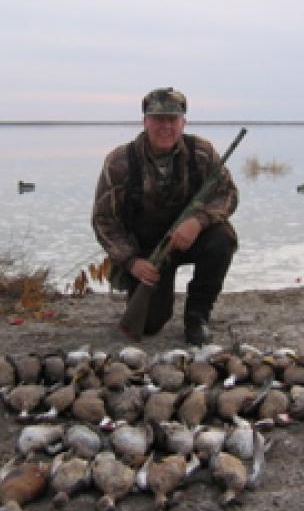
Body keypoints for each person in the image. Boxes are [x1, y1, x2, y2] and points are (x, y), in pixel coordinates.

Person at [91, 87, 239, 345]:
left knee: (222, 238)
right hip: (147, 251)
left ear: (184, 122)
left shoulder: (201, 152)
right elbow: (104, 220)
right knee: (149, 326)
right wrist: (131, 261)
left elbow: (228, 194)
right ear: (145, 121)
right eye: (158, 119)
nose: (166, 126)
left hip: (188, 240)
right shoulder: (119, 161)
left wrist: (198, 221)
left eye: (173, 119)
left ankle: (197, 317)